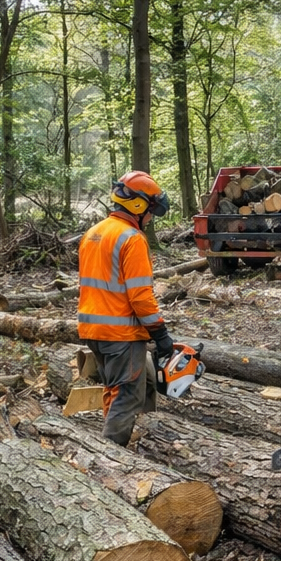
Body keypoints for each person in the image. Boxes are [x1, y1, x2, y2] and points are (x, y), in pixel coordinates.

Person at [77, 170, 176, 447]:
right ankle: (110, 456)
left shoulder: (93, 233)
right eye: (151, 211)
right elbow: (140, 296)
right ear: (138, 205)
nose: (150, 218)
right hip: (121, 333)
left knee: (123, 386)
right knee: (128, 394)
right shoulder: (131, 239)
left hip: (93, 329)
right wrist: (160, 333)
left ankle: (136, 438)